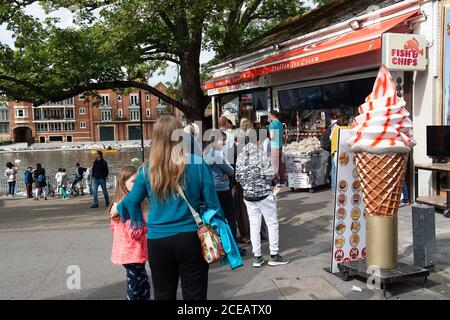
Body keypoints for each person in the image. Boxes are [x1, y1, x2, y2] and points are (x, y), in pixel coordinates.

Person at [110, 115, 242, 300]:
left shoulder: (148, 169)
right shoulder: (197, 165)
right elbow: (213, 204)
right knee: (195, 295)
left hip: (158, 240)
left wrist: (119, 209)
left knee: (163, 294)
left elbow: (131, 202)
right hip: (191, 238)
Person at [236, 134, 290, 268]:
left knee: (254, 225)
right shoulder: (260, 155)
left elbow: (237, 177)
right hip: (264, 194)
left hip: (248, 196)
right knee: (272, 224)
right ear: (256, 142)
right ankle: (274, 255)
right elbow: (270, 174)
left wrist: (248, 186)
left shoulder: (240, 157)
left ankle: (257, 257)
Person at [109, 166, 150, 300]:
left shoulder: (118, 203)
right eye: (133, 181)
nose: (138, 185)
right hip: (133, 253)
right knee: (137, 286)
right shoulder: (130, 205)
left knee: (139, 283)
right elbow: (134, 232)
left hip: (127, 253)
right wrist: (147, 225)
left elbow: (113, 227)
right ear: (123, 184)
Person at [330, 115, 350, 192]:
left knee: (335, 171)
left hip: (335, 152)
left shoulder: (335, 130)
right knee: (345, 171)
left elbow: (330, 138)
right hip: (345, 153)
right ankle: (344, 188)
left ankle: (334, 188)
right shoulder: (349, 129)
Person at [268, 110, 286, 185]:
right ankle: (282, 179)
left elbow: (272, 136)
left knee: (274, 164)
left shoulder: (272, 124)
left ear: (272, 115)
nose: (269, 117)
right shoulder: (280, 124)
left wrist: (268, 137)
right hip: (280, 145)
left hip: (274, 146)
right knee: (280, 162)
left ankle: (275, 180)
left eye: (269, 115)